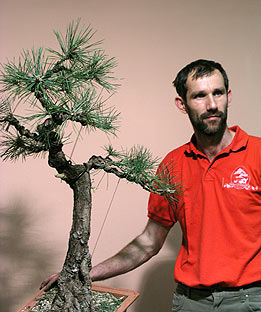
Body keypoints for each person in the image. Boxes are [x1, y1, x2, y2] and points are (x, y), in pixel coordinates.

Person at [41, 59, 261, 311]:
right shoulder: (173, 164)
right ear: (182, 104)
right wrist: (85, 274)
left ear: (228, 96)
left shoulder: (257, 153)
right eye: (200, 96)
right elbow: (149, 241)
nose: (212, 105)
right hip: (190, 302)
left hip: (249, 300)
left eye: (218, 93)